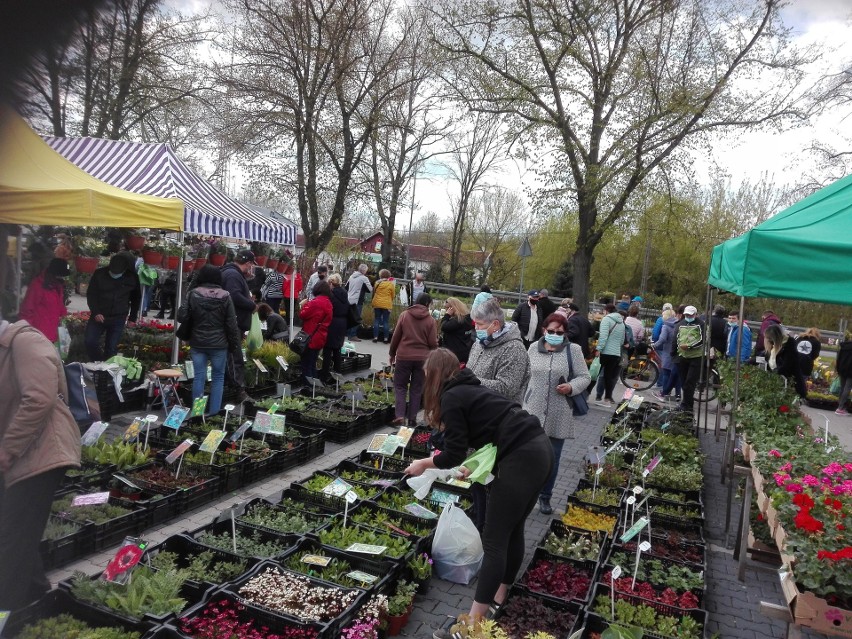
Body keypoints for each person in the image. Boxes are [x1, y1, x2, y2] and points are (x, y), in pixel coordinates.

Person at [403, 349, 553, 636]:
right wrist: (474, 467)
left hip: (522, 457)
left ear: (434, 374)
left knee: (494, 542)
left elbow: (452, 453)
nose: (423, 379)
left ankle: (471, 626)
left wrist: (423, 463)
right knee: (513, 530)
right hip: (538, 449)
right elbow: (491, 433)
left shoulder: (452, 397)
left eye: (425, 374)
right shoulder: (469, 388)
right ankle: (499, 595)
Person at [0, 317, 81, 610]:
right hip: (19, 451)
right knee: (15, 530)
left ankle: (5, 612)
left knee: (11, 537)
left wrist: (7, 450)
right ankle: (36, 595)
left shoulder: (25, 342)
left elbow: (39, 398)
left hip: (43, 453)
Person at [523, 313, 590, 515]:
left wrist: (570, 387)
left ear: (565, 333)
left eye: (559, 332)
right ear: (544, 330)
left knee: (552, 458)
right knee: (529, 456)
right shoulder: (533, 348)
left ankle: (545, 496)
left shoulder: (574, 350)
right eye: (550, 331)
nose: (554, 334)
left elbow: (585, 376)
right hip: (532, 410)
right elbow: (525, 374)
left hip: (559, 413)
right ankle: (526, 493)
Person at [177, 265, 241, 417]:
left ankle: (197, 413)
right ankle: (214, 413)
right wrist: (234, 345)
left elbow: (181, 316)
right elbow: (231, 324)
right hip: (219, 344)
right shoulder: (226, 296)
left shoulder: (193, 294)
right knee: (218, 377)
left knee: (199, 376)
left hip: (198, 342)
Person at [467, 297, 531, 403]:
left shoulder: (514, 349)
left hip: (499, 414)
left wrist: (470, 381)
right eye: (475, 324)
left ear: (495, 324)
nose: (476, 328)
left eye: (480, 324)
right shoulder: (479, 342)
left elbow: (506, 388)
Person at [389, 293, 438, 426]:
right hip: (422, 359)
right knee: (416, 388)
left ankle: (399, 415)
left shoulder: (405, 315)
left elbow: (396, 336)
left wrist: (392, 353)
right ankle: (412, 418)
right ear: (427, 304)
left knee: (400, 386)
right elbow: (433, 343)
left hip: (404, 356)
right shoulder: (431, 320)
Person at [85, 252, 140, 361]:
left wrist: (132, 317)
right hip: (99, 314)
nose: (114, 274)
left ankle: (107, 373)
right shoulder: (99, 274)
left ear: (125, 270)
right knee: (89, 341)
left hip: (118, 317)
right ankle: (98, 362)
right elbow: (91, 294)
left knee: (111, 348)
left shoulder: (132, 278)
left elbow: (136, 298)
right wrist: (96, 312)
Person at [220, 249, 258, 403]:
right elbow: (233, 296)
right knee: (235, 359)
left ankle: (230, 389)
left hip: (233, 321)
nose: (251, 268)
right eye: (251, 265)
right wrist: (251, 304)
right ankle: (239, 391)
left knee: (231, 358)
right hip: (232, 322)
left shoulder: (232, 273)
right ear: (248, 263)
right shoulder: (233, 275)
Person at [19, 257, 69, 344]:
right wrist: (28, 332)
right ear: (54, 274)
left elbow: (59, 306)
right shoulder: (37, 286)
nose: (63, 280)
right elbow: (26, 310)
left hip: (52, 334)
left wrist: (65, 316)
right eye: (61, 276)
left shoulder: (57, 286)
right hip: (37, 336)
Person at [298, 280, 333, 384]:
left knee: (306, 364)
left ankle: (308, 386)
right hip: (321, 336)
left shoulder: (315, 302)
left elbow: (303, 315)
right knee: (313, 363)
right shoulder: (329, 303)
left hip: (310, 336)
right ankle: (315, 386)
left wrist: (303, 305)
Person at [673, 305, 705, 412]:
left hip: (696, 357)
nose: (689, 316)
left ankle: (686, 405)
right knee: (684, 382)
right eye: (687, 315)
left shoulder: (701, 324)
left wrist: (690, 346)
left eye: (691, 315)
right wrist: (674, 354)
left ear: (695, 315)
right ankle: (687, 403)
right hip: (682, 356)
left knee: (689, 382)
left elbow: (703, 340)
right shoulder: (680, 324)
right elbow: (676, 338)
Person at [594, 303, 626, 407]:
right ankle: (607, 399)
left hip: (605, 352)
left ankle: (585, 394)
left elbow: (603, 336)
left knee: (594, 373)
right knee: (609, 376)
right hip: (616, 353)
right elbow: (622, 341)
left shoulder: (606, 320)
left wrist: (599, 348)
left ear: (606, 310)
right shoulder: (622, 323)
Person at [319, 273, 349, 383]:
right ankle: (336, 376)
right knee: (337, 350)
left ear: (331, 283)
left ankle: (324, 376)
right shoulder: (345, 294)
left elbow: (326, 309)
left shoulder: (330, 295)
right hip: (342, 323)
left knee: (327, 350)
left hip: (332, 322)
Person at [764, 323, 806, 398]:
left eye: (770, 339)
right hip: (780, 383)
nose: (768, 342)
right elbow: (766, 359)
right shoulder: (774, 347)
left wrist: (775, 373)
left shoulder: (789, 345)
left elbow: (786, 366)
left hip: (791, 385)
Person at [652, 308, 681, 402]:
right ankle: (678, 394)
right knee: (676, 374)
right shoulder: (678, 324)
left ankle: (665, 393)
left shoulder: (666, 326)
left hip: (667, 352)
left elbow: (662, 339)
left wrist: (654, 345)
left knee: (666, 373)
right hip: (677, 352)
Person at [440, 297, 474, 364]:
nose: (446, 310)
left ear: (452, 308)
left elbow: (443, 327)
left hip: (453, 353)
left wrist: (447, 315)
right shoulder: (467, 318)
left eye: (447, 308)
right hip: (464, 351)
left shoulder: (458, 320)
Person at [345, 264, 372, 340]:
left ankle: (347, 333)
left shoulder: (351, 276)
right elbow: (370, 289)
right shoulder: (364, 278)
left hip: (349, 299)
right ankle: (353, 335)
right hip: (358, 300)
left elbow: (346, 287)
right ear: (365, 271)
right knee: (356, 318)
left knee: (349, 317)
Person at [371, 269, 395, 343]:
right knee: (385, 321)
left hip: (377, 303)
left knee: (377, 320)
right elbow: (393, 295)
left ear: (380, 275)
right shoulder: (391, 284)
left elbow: (374, 292)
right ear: (388, 276)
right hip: (387, 304)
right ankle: (385, 339)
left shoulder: (377, 283)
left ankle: (375, 337)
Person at [834, 334, 852, 416]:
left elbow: (839, 358)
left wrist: (837, 368)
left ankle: (840, 406)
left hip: (842, 368)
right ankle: (840, 408)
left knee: (843, 388)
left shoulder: (844, 346)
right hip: (850, 370)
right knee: (847, 388)